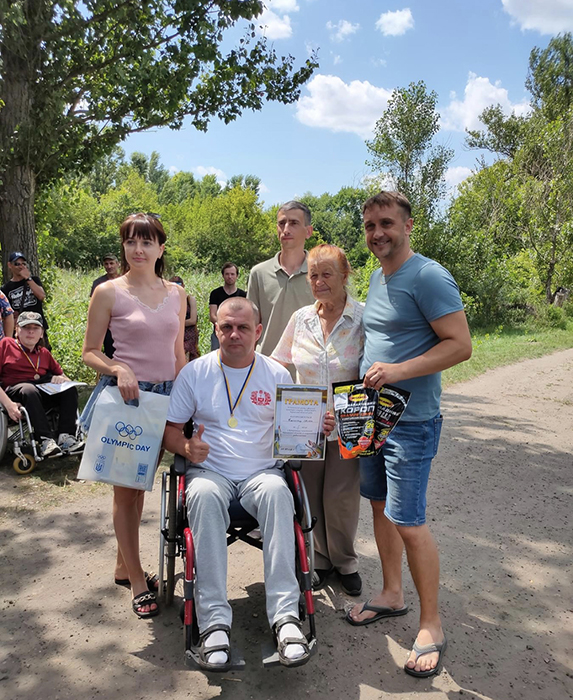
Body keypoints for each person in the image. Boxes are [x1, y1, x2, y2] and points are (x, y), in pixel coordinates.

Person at [164, 296, 335, 671]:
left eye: (243, 328)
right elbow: (170, 431)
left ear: (257, 332)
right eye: (226, 327)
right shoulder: (194, 373)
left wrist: (316, 427)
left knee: (278, 492)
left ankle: (286, 618)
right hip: (210, 471)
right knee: (203, 496)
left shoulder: (276, 374)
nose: (234, 334)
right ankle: (213, 624)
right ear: (215, 329)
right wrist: (186, 447)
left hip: (262, 472)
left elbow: (296, 431)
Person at [346, 191, 472, 679]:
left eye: (386, 223)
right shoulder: (378, 276)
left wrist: (398, 371)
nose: (377, 233)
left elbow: (460, 345)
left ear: (408, 225)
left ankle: (431, 624)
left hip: (412, 422)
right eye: (370, 226)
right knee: (379, 506)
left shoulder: (428, 276)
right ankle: (391, 594)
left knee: (409, 520)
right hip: (373, 416)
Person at [82, 212, 186, 619]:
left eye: (146, 242)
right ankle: (139, 582)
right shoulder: (108, 292)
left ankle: (124, 567)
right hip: (129, 401)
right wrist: (117, 368)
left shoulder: (177, 294)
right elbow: (90, 351)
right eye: (130, 241)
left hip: (166, 399)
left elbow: (178, 354)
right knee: (126, 493)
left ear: (161, 248)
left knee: (141, 486)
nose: (138, 249)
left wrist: (190, 399)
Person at [272, 244, 364, 597]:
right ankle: (321, 559)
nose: (319, 281)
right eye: (313, 275)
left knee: (340, 497)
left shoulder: (362, 318)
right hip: (304, 426)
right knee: (309, 494)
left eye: (327, 274)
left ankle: (346, 561)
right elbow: (278, 363)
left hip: (347, 425)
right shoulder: (301, 319)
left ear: (344, 275)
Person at [0, 312, 84, 457]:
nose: (31, 332)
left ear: (41, 333)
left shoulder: (44, 353)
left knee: (69, 390)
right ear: (17, 330)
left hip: (41, 392)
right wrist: (8, 404)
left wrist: (60, 378)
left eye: (35, 328)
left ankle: (66, 438)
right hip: (15, 391)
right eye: (26, 327)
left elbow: (66, 378)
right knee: (29, 390)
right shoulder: (6, 345)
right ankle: (45, 440)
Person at [247, 201, 314, 365]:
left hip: (309, 370)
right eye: (282, 223)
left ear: (308, 231)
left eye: (294, 223)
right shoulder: (259, 273)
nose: (286, 229)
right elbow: (249, 325)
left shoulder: (321, 274)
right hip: (267, 367)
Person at [2, 252, 48, 333]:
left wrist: (28, 278)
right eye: (17, 264)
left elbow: (41, 296)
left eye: (23, 264)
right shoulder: (6, 289)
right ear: (10, 265)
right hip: (20, 328)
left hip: (37, 324)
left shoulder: (34, 280)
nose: (21, 267)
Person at [208, 263, 246, 351]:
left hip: (238, 333)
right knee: (216, 356)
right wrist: (225, 325)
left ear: (237, 276)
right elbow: (212, 316)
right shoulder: (215, 293)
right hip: (219, 332)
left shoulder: (243, 295)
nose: (230, 277)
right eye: (227, 274)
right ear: (223, 275)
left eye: (232, 274)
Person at [90, 253, 121, 358]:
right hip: (107, 325)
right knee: (110, 352)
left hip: (123, 321)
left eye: (111, 263)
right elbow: (94, 305)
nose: (109, 266)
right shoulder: (98, 283)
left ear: (118, 264)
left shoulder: (126, 281)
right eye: (106, 264)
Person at [170, 276, 200, 361]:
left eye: (179, 285)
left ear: (183, 286)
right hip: (175, 334)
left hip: (189, 334)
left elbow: (193, 320)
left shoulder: (190, 299)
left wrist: (176, 323)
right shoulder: (169, 301)